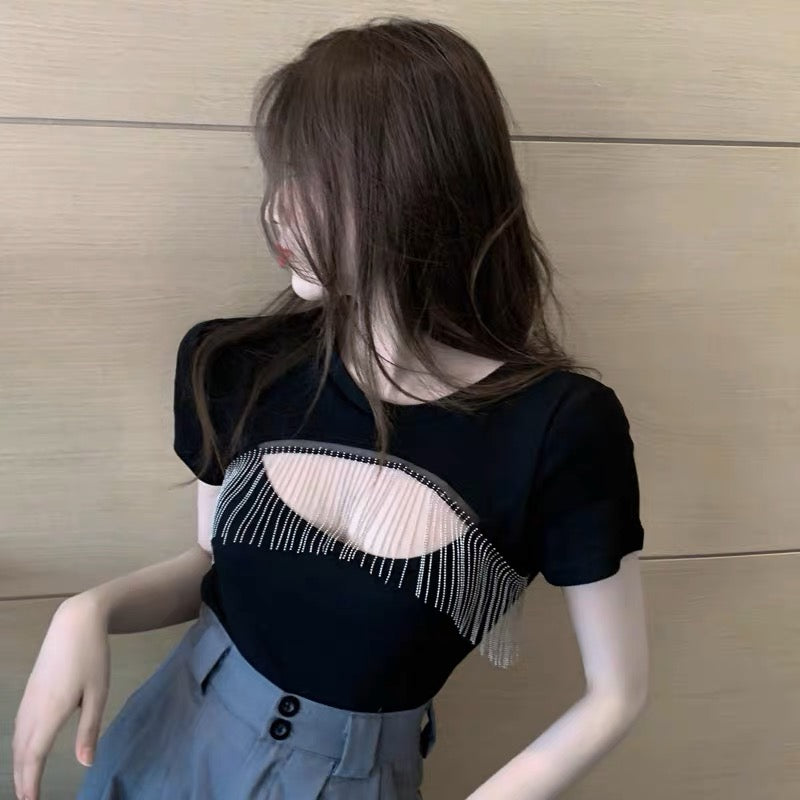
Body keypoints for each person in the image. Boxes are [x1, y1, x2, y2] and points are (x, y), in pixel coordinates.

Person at [12, 16, 649, 800]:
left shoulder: (557, 428)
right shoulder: (236, 363)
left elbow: (617, 693)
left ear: (413, 186)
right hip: (165, 740)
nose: (278, 212)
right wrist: (90, 609)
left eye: (309, 179)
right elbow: (213, 562)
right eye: (279, 177)